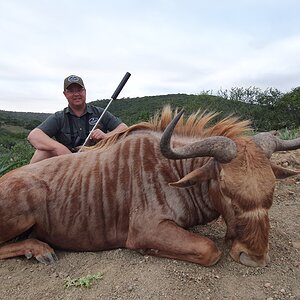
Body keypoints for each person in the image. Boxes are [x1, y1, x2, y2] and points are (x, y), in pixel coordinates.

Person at [28, 75, 128, 163]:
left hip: (98, 160)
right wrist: (59, 148)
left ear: (85, 91)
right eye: (71, 91)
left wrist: (106, 136)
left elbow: (123, 128)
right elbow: (33, 136)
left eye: (79, 90)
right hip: (69, 163)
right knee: (41, 153)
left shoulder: (99, 112)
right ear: (65, 94)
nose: (76, 94)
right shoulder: (59, 117)